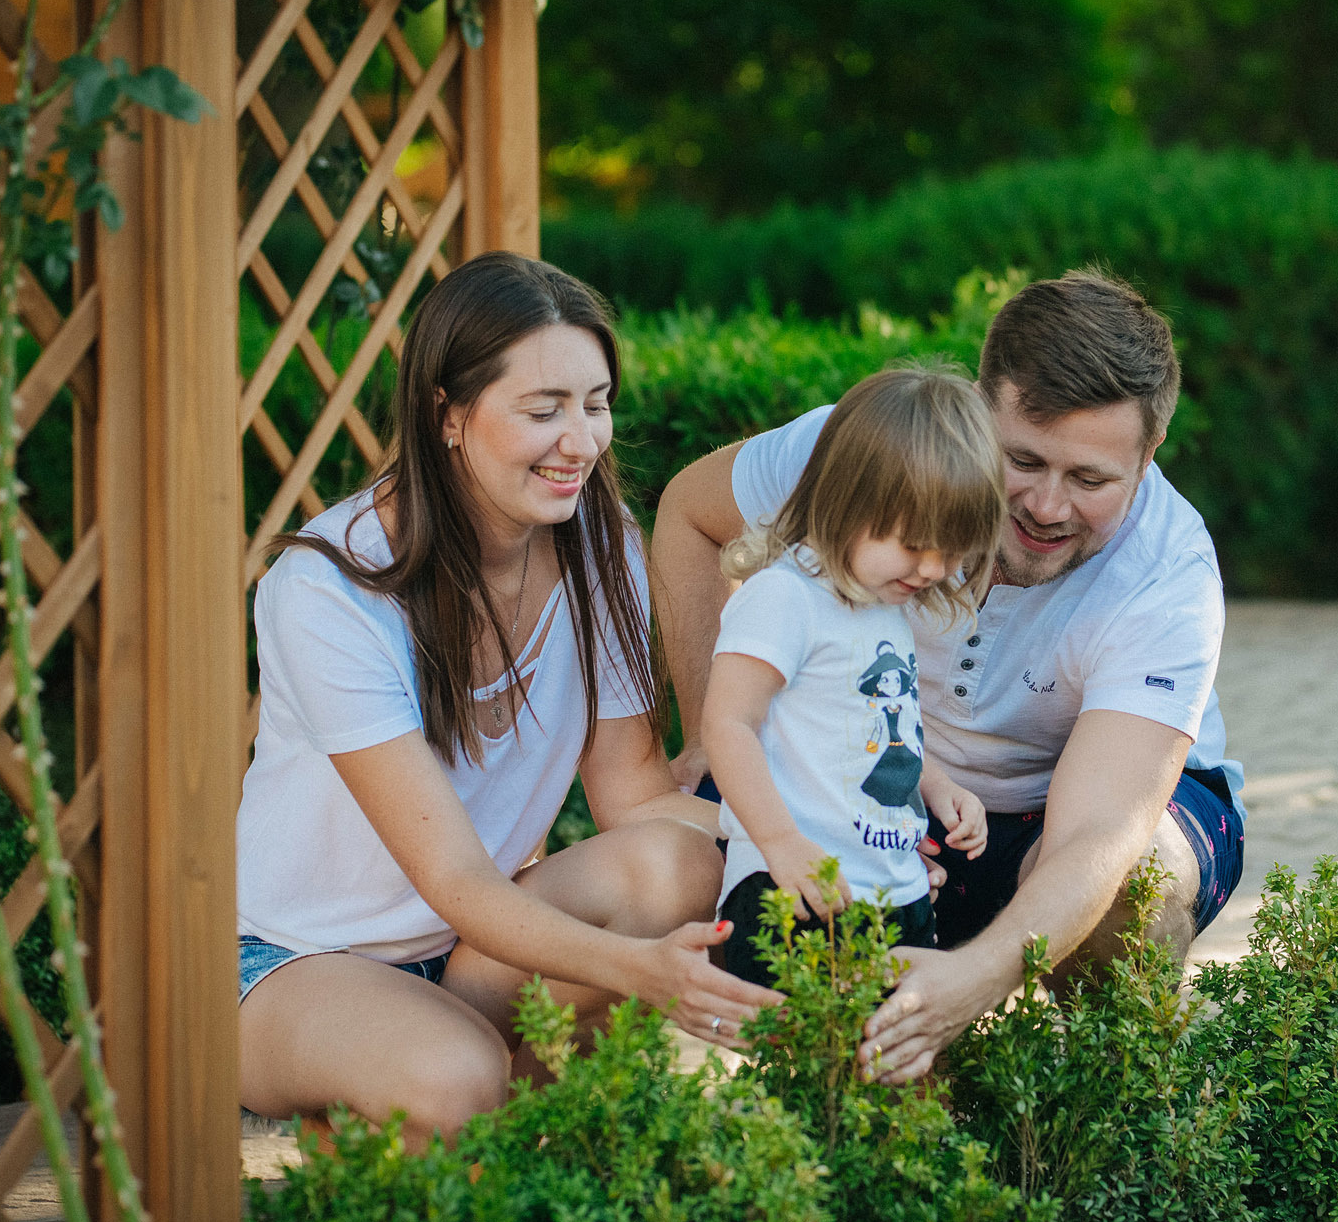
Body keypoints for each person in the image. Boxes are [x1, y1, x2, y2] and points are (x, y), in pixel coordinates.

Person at [236, 252, 779, 1146]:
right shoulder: (329, 590)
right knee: (457, 1077)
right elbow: (452, 877)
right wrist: (639, 970)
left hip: (471, 952)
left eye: (596, 404)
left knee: (683, 866)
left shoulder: (597, 543)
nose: (582, 442)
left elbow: (635, 796)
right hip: (296, 961)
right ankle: (422, 1106)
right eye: (543, 411)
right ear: (448, 416)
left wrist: (810, 845)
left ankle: (416, 1129)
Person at [654, 270, 1244, 1084]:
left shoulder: (1168, 575)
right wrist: (710, 733)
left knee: (1133, 892)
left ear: (1149, 457)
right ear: (976, 403)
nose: (1044, 505)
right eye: (1023, 460)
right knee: (644, 864)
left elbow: (1094, 836)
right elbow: (689, 513)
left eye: (1090, 480)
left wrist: (980, 977)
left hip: (1062, 813)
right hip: (884, 783)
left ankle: (1107, 1147)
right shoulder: (863, 459)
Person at [701, 368, 1002, 988]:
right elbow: (727, 725)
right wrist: (780, 844)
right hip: (794, 890)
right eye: (916, 544)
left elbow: (872, 729)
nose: (933, 568)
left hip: (893, 893)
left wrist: (937, 786)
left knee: (896, 1069)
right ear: (846, 500)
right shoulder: (785, 597)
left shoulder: (882, 604)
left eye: (952, 551)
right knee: (813, 1069)